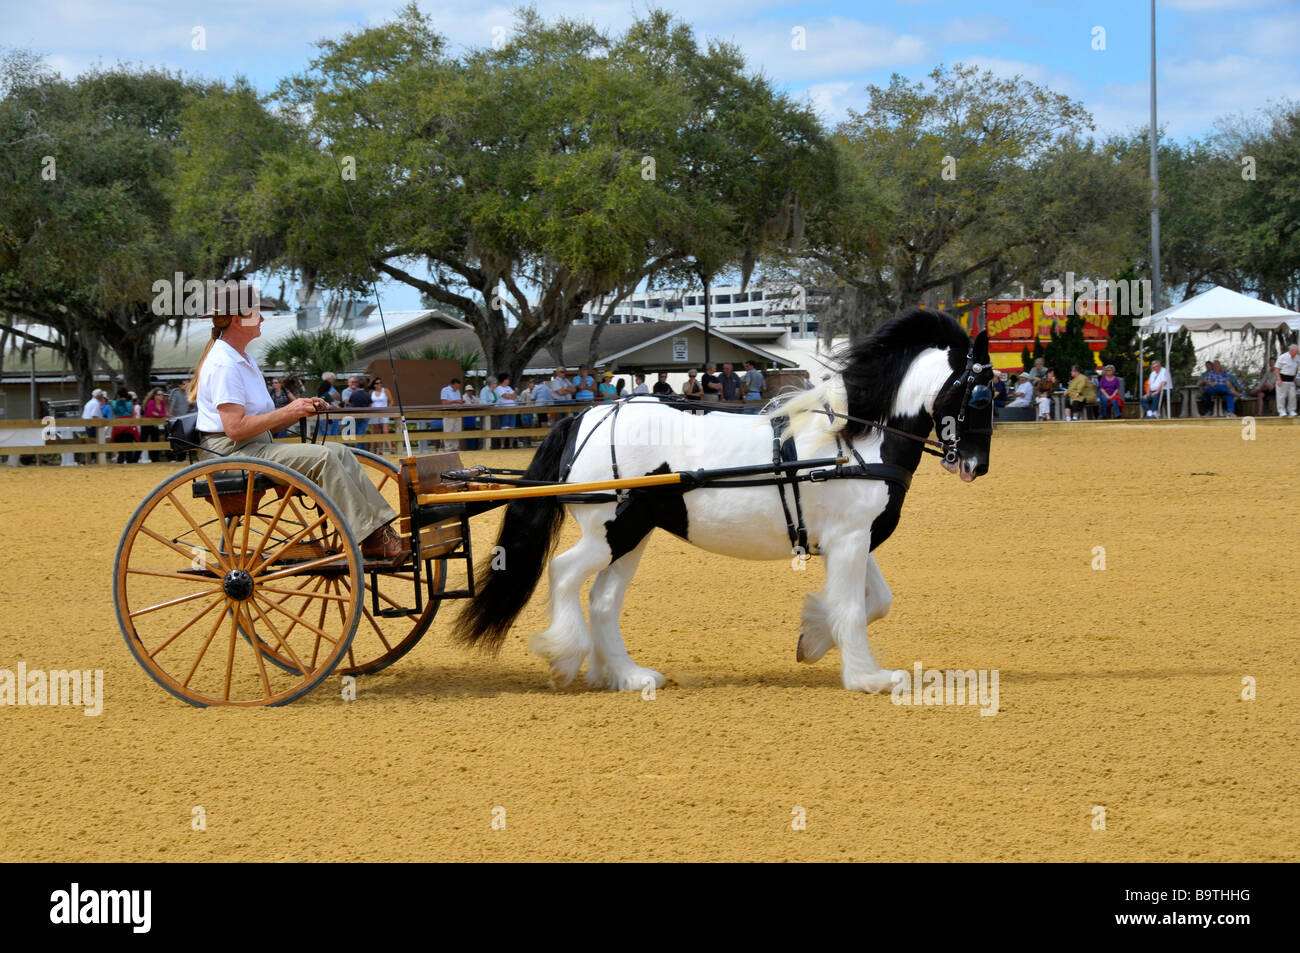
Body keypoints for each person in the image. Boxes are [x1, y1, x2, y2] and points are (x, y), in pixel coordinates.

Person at [189, 288, 403, 561]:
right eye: (256, 312)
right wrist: (288, 411)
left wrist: (297, 410)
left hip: (254, 444)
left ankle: (380, 529)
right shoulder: (224, 363)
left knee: (339, 451)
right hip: (231, 452)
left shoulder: (243, 359)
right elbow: (236, 429)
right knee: (325, 457)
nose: (262, 318)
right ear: (236, 319)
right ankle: (369, 534)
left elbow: (260, 422)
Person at [108, 387, 139, 463]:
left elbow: (112, 413)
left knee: (120, 446)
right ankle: (130, 461)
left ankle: (120, 460)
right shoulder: (129, 404)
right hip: (128, 427)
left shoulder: (114, 403)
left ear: (118, 394)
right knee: (129, 445)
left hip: (118, 427)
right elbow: (133, 414)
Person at [80, 388, 108, 464]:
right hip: (93, 426)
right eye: (102, 395)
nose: (103, 397)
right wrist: (102, 421)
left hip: (88, 425)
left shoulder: (89, 403)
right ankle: (94, 460)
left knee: (91, 442)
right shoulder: (95, 404)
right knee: (95, 442)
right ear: (99, 396)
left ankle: (88, 460)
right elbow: (94, 416)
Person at [141, 387, 168, 462]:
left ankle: (155, 459)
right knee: (142, 441)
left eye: (162, 394)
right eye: (159, 394)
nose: (161, 396)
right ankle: (134, 459)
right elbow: (150, 413)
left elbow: (164, 414)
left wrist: (157, 414)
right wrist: (159, 415)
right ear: (155, 396)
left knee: (156, 440)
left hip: (155, 425)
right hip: (146, 424)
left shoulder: (162, 403)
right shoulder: (151, 402)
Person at [440, 377, 464, 451]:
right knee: (448, 430)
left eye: (458, 386)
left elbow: (458, 401)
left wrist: (460, 402)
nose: (457, 388)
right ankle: (448, 448)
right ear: (452, 385)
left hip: (457, 412)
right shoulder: (445, 390)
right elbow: (444, 402)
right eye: (456, 386)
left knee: (457, 429)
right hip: (449, 412)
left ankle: (455, 447)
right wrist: (455, 401)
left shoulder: (458, 391)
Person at [1275, 344, 1298, 417]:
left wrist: (1295, 376)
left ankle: (1292, 410)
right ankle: (1281, 411)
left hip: (1291, 380)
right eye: (1296, 351)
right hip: (1282, 379)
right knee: (1281, 396)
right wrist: (1279, 379)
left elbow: (1296, 368)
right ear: (1291, 351)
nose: (1297, 353)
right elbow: (1277, 369)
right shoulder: (1283, 357)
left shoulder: (1297, 358)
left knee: (1292, 396)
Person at [345, 375, 371, 439]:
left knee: (351, 433)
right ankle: (359, 447)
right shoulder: (367, 394)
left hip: (355, 415)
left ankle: (353, 448)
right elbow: (369, 405)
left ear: (358, 384)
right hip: (364, 415)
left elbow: (350, 402)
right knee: (361, 432)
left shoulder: (353, 394)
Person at [370, 377, 391, 452]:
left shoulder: (385, 390)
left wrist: (388, 409)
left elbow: (391, 401)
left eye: (380, 383)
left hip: (384, 412)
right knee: (377, 431)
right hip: (374, 413)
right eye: (377, 383)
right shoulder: (371, 392)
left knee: (385, 431)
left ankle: (390, 449)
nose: (380, 384)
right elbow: (370, 402)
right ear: (374, 385)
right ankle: (380, 450)